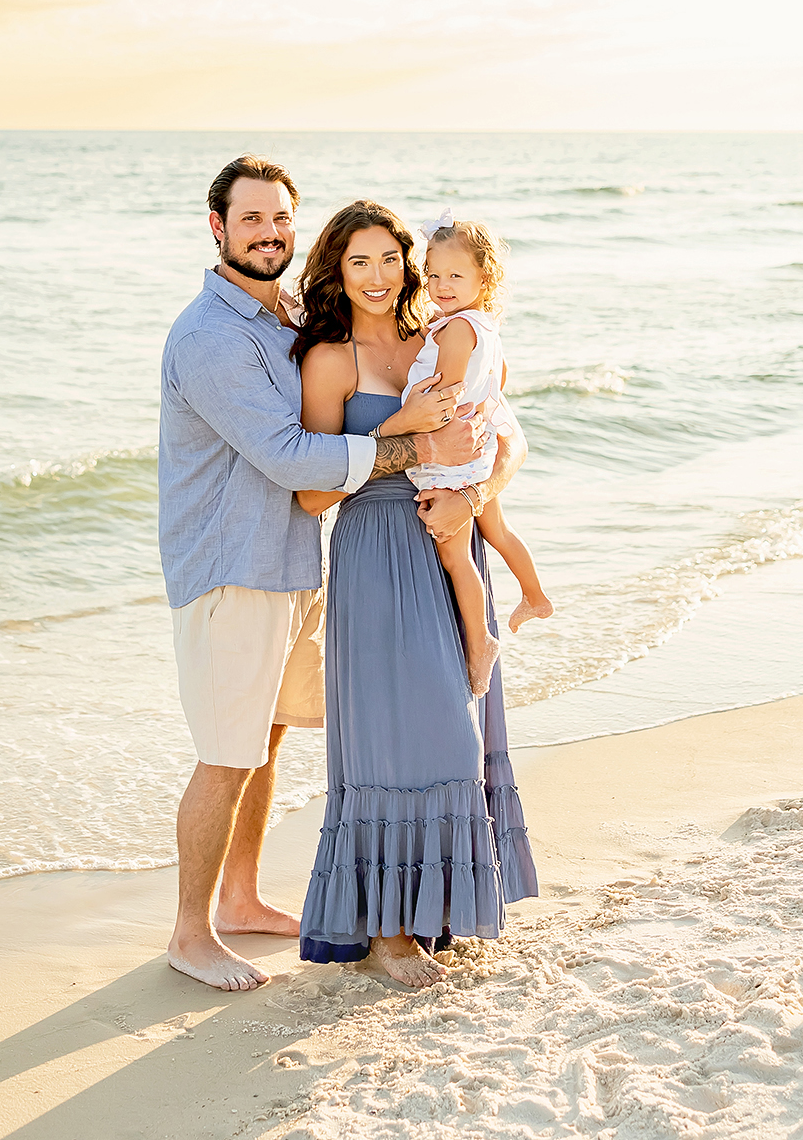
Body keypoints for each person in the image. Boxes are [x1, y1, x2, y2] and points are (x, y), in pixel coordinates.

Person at [157, 156, 484, 993]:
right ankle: (190, 933)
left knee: (264, 736)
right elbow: (291, 457)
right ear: (218, 227)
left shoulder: (282, 315)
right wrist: (413, 440)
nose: (268, 233)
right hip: (235, 569)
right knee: (226, 750)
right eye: (251, 219)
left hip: (296, 563)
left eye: (279, 220)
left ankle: (240, 896)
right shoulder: (211, 338)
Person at [289, 199, 539, 989]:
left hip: (448, 530)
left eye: (388, 259)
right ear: (337, 267)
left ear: (409, 262)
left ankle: (435, 912)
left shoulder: (442, 334)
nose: (376, 276)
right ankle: (390, 932)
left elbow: (510, 437)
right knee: (406, 737)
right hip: (377, 550)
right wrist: (412, 439)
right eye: (357, 261)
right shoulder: (329, 359)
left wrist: (474, 495)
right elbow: (311, 495)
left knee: (459, 733)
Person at [407, 212, 555, 697]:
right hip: (479, 451)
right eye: (431, 275)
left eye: (454, 276)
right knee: (499, 532)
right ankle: (534, 597)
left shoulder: (453, 331)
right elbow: (498, 384)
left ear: (482, 278)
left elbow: (443, 394)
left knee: (455, 555)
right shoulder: (483, 327)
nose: (440, 285)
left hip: (450, 456)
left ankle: (480, 640)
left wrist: (411, 415)